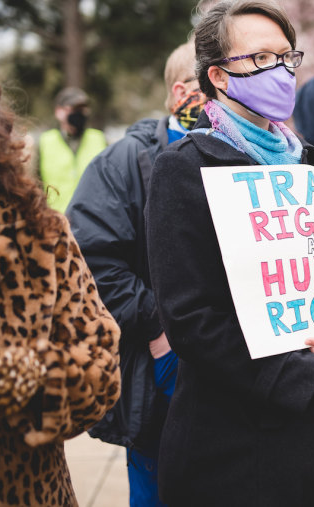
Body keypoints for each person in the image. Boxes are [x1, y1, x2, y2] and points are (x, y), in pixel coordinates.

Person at [145, 2, 314, 505]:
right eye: (259, 58)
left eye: (286, 57)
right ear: (219, 76)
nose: (279, 70)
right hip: (242, 455)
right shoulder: (183, 171)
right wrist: (308, 373)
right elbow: (191, 321)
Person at [65, 41, 206, 506]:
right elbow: (92, 264)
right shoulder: (122, 164)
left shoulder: (255, 156)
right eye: (215, 83)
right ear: (180, 93)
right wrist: (160, 329)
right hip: (163, 371)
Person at [0, 67, 120, 506]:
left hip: (20, 489)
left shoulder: (32, 235)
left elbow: (101, 362)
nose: (78, 116)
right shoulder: (48, 145)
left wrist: (11, 372)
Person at [38, 86, 106, 213]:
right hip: (56, 221)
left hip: (93, 221)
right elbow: (35, 186)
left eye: (83, 109)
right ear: (59, 112)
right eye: (73, 109)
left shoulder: (99, 139)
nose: (79, 114)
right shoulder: (45, 142)